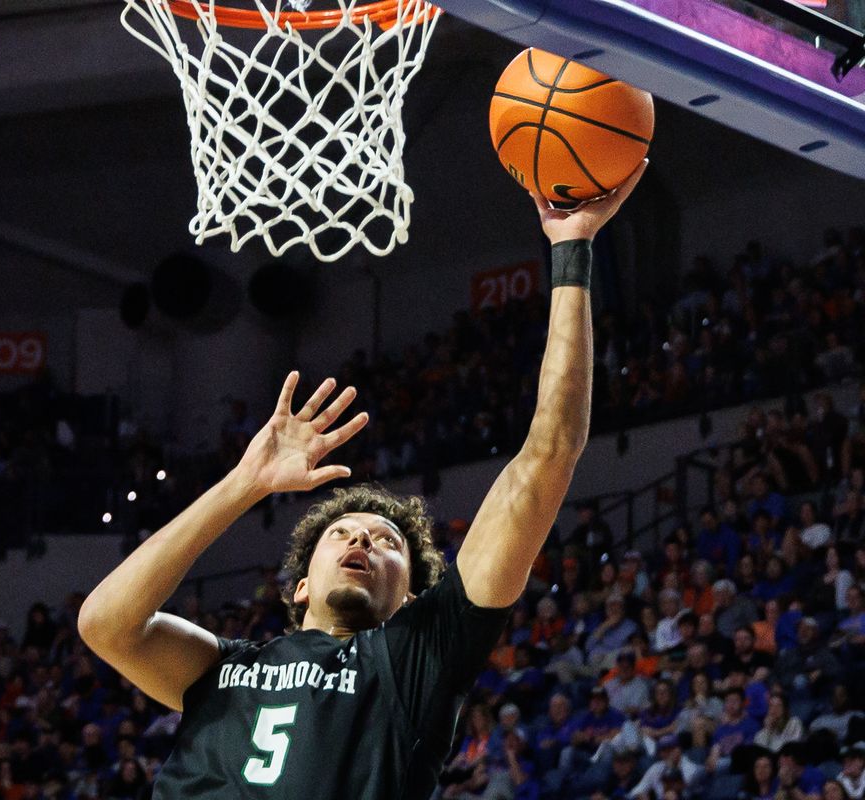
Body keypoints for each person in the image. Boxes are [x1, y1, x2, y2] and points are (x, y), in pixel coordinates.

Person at [77, 165, 648, 800]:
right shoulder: (223, 667)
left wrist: (571, 249)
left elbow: (548, 454)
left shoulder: (415, 658)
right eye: (343, 533)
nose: (362, 541)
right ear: (299, 586)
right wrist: (243, 483)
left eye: (387, 543)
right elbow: (106, 624)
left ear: (409, 601)